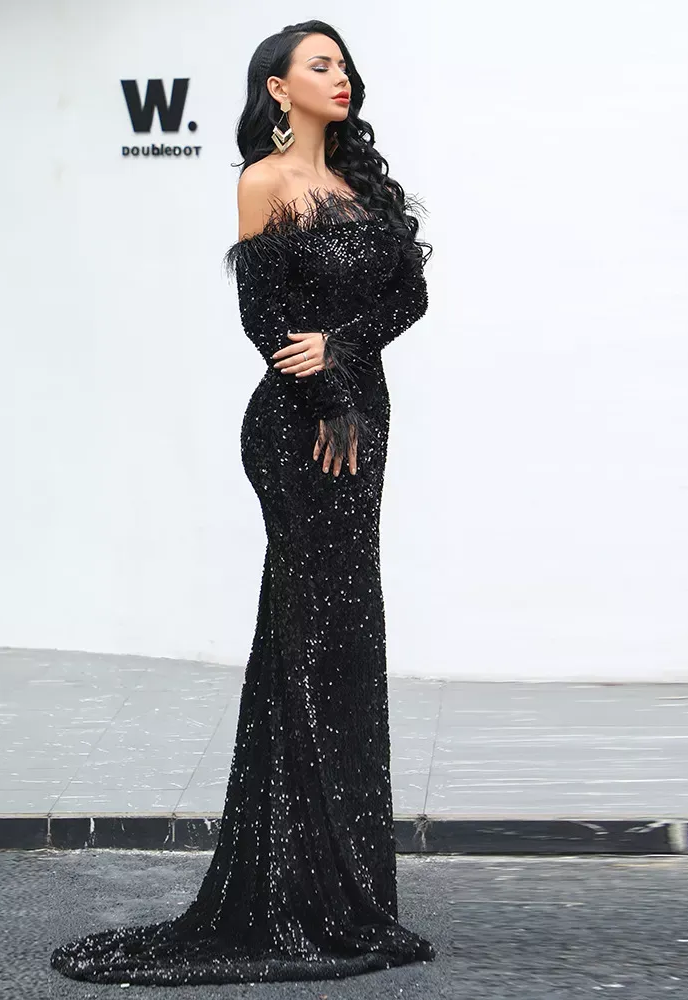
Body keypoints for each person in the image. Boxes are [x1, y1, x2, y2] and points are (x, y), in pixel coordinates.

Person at [50, 19, 434, 986]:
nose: (341, 77)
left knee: (347, 633)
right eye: (320, 65)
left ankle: (342, 884)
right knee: (306, 633)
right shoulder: (263, 183)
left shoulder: (361, 185)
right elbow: (263, 320)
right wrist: (330, 388)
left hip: (364, 418)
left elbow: (411, 299)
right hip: (300, 428)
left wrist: (345, 352)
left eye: (343, 64)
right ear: (276, 87)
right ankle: (294, 887)